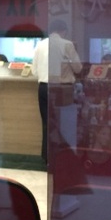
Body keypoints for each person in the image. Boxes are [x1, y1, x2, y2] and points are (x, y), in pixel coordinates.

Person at [33, 20, 82, 163]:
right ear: (63, 31)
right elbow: (78, 68)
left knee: (47, 123)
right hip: (61, 89)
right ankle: (62, 158)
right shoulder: (67, 44)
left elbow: (34, 71)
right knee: (63, 125)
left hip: (43, 87)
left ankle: (47, 157)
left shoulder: (40, 44)